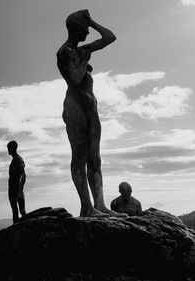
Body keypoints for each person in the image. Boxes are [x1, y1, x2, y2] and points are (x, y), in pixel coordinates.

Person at [57, 10, 124, 217]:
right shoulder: (64, 52)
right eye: (85, 27)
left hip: (91, 108)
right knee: (80, 157)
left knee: (95, 158)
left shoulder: (82, 49)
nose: (88, 31)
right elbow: (75, 80)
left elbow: (109, 37)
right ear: (76, 28)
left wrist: (92, 21)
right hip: (75, 108)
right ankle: (87, 207)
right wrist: (85, 60)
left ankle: (100, 205)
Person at [7, 141, 26, 223]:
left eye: (9, 148)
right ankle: (16, 228)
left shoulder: (18, 159)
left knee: (21, 211)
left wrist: (20, 190)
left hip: (16, 188)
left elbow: (23, 175)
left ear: (13, 148)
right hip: (12, 188)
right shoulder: (15, 159)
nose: (8, 150)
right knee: (14, 210)